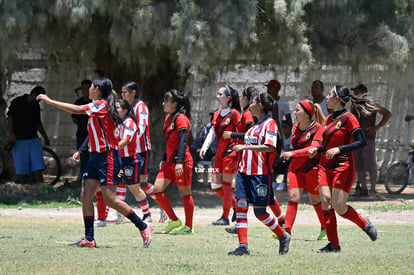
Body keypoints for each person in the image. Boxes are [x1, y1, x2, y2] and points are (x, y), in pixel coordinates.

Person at [37, 77, 152, 248]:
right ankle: (89, 238)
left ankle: (143, 226)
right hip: (94, 157)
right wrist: (81, 151)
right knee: (86, 195)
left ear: (96, 89)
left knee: (110, 199)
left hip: (108, 157)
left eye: (90, 86)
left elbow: (76, 109)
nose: (88, 89)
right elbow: (94, 135)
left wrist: (48, 100)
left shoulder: (101, 105)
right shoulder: (98, 106)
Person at [308, 84, 378, 253]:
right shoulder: (330, 118)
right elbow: (327, 145)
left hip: (343, 165)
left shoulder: (349, 118)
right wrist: (316, 150)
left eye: (330, 94)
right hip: (325, 166)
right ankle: (333, 245)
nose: (327, 97)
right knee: (325, 200)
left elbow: (361, 141)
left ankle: (364, 223)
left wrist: (340, 149)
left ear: (337, 99)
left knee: (339, 206)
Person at [228, 92, 291, 256]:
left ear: (260, 105)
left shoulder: (270, 124)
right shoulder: (254, 125)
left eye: (253, 102)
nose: (249, 105)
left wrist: (244, 147)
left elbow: (270, 147)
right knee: (240, 206)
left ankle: (282, 235)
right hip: (243, 173)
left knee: (260, 212)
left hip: (260, 175)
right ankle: (243, 246)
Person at [280, 99, 327, 240]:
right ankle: (286, 231)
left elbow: (312, 149)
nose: (294, 112)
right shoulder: (296, 127)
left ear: (307, 114)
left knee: (315, 199)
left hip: (312, 168)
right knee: (293, 197)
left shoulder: (318, 128)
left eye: (297, 110)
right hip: (295, 168)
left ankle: (325, 228)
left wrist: (292, 153)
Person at [121, 81, 168, 223]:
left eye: (125, 92)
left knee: (141, 182)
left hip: (140, 150)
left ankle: (162, 207)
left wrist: (130, 140)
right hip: (129, 150)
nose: (123, 95)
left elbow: (141, 128)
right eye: (122, 92)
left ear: (133, 92)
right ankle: (120, 214)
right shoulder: (127, 107)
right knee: (128, 181)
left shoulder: (140, 107)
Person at [153, 89, 195, 235]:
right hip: (169, 163)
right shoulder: (168, 118)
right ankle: (174, 219)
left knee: (185, 194)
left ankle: (189, 227)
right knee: (156, 190)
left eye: (166, 100)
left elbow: (183, 142)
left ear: (175, 103)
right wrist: (164, 158)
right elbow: (169, 141)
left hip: (181, 161)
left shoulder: (181, 118)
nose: (163, 103)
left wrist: (178, 161)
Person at [200, 85, 241, 226]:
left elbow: (241, 132)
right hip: (219, 153)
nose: (217, 96)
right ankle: (237, 206)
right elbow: (212, 132)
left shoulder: (235, 114)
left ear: (228, 98)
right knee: (216, 186)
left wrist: (240, 150)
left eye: (220, 94)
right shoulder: (217, 114)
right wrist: (204, 147)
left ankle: (225, 217)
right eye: (217, 93)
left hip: (230, 153)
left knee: (227, 185)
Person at [351, 84, 392, 196]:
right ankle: (364, 188)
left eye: (357, 92)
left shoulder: (370, 104)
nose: (355, 94)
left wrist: (376, 127)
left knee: (370, 165)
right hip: (357, 138)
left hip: (368, 138)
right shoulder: (354, 105)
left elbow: (387, 114)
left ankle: (373, 189)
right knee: (359, 166)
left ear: (362, 92)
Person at [7, 86, 50, 184]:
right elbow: (10, 118)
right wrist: (11, 133)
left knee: (38, 167)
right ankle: (23, 190)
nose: (38, 102)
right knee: (21, 170)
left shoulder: (35, 106)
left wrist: (45, 136)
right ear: (34, 95)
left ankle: (40, 188)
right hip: (19, 140)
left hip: (33, 139)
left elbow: (38, 123)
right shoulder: (17, 102)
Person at [72, 79, 92, 185]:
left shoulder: (94, 103)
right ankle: (82, 178)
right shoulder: (78, 103)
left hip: (93, 136)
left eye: (87, 88)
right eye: (83, 89)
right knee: (82, 156)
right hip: (82, 134)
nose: (85, 91)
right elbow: (74, 118)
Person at [273, 120, 293, 191]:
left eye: (285, 127)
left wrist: (279, 159)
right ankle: (274, 181)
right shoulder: (282, 138)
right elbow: (279, 148)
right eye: (282, 127)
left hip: (292, 158)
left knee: (289, 163)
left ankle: (284, 182)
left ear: (290, 128)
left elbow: (290, 151)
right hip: (285, 157)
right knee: (273, 161)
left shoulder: (292, 137)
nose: (283, 129)